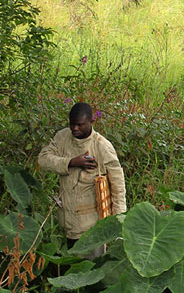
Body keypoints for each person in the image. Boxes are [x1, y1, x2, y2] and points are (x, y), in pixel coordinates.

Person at [38, 102, 127, 247]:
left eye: (80, 125)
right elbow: (43, 159)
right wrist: (71, 162)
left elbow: (118, 186)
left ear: (91, 122)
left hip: (92, 227)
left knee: (92, 267)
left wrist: (117, 222)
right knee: (72, 266)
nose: (75, 128)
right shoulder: (63, 137)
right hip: (67, 222)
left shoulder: (102, 146)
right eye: (72, 124)